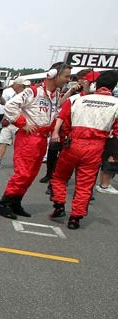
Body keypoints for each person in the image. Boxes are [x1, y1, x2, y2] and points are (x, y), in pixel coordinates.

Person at [0, 62, 71, 219]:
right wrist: (23, 123)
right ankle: (4, 204)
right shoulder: (33, 91)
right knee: (23, 173)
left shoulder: (56, 93)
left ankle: (16, 202)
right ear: (52, 75)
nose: (68, 79)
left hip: (42, 139)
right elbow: (9, 106)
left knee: (31, 174)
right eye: (66, 76)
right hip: (29, 139)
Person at [49, 71, 118, 229]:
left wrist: (65, 138)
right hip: (96, 146)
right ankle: (75, 218)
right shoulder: (116, 103)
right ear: (113, 86)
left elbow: (65, 121)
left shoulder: (77, 100)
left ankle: (59, 204)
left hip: (73, 143)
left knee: (59, 177)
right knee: (84, 185)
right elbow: (116, 132)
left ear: (97, 84)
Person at [0, 79, 30, 169]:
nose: (13, 86)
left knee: (19, 146)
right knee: (3, 141)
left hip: (20, 124)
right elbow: (6, 105)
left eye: (14, 84)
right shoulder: (14, 95)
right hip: (9, 122)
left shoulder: (27, 96)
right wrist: (0, 96)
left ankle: (20, 164)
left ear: (19, 85)